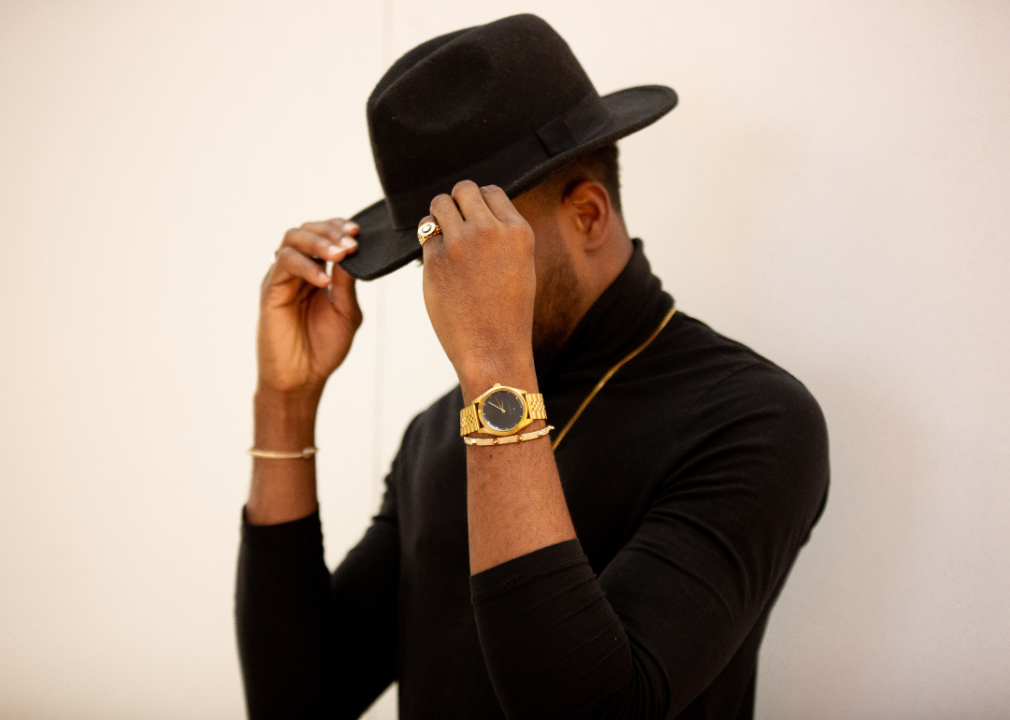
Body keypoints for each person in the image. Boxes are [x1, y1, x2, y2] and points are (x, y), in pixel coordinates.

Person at [235, 13, 829, 720]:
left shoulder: (754, 419)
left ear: (587, 215)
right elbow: (298, 701)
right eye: (431, 247)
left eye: (474, 238)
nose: (446, 276)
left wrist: (492, 368)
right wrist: (286, 399)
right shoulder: (437, 433)